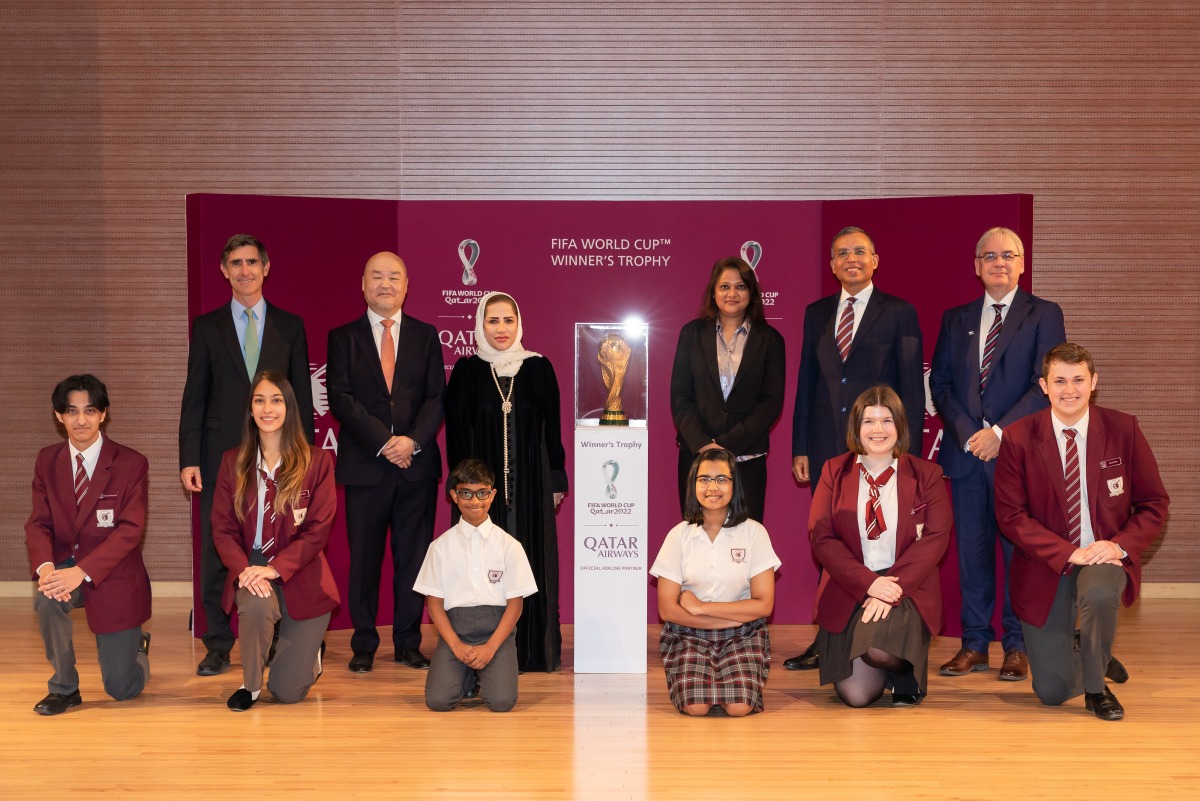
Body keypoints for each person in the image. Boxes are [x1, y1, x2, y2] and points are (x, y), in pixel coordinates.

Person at [993, 343, 1168, 721]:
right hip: (1046, 562)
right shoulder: (1019, 437)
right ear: (1043, 386)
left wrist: (1119, 545)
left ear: (1093, 383)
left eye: (1077, 380)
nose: (1068, 389)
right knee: (1051, 692)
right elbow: (1010, 516)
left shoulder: (1124, 429)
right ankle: (1089, 651)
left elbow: (1154, 503)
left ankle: (1095, 689)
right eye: (1059, 381)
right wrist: (1065, 552)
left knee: (1101, 591)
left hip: (1103, 553)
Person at [930, 227, 1066, 681]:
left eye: (1008, 255)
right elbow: (941, 384)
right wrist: (972, 434)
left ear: (1022, 262)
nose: (999, 262)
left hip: (1018, 456)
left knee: (1018, 554)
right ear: (976, 265)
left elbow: (1044, 383)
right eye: (989, 255)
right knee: (972, 553)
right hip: (968, 455)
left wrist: (999, 433)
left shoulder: (1044, 314)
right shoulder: (956, 317)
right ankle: (973, 643)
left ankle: (1015, 644)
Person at [785, 226, 925, 671]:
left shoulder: (899, 313)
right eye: (842, 253)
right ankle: (828, 639)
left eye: (859, 252)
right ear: (831, 264)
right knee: (831, 544)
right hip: (828, 449)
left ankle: (882, 631)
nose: (851, 259)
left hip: (882, 449)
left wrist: (911, 457)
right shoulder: (815, 313)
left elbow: (910, 390)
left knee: (878, 541)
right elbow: (807, 382)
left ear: (875, 260)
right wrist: (801, 445)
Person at [180, 233, 314, 677]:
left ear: (266, 267)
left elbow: (300, 399)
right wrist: (189, 457)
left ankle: (277, 638)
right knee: (218, 547)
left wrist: (306, 458)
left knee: (281, 542)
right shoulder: (207, 326)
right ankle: (217, 643)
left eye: (252, 262)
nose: (245, 270)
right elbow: (194, 395)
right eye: (235, 263)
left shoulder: (290, 326)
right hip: (222, 456)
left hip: (281, 456)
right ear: (224, 270)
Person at [327, 251, 445, 673]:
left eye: (393, 277)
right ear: (362, 283)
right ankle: (364, 643)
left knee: (413, 558)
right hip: (366, 466)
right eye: (376, 276)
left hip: (416, 467)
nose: (385, 284)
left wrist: (411, 441)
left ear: (406, 285)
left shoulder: (427, 335)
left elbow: (436, 397)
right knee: (365, 560)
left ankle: (408, 642)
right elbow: (341, 397)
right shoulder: (343, 337)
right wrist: (385, 441)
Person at [445, 292, 568, 672]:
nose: (501, 329)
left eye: (508, 320)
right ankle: (480, 653)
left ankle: (534, 651)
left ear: (519, 324)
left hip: (530, 488)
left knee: (531, 562)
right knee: (482, 565)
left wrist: (555, 479)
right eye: (493, 321)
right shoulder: (467, 372)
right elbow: (456, 437)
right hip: (481, 495)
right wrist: (466, 492)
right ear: (481, 325)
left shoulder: (540, 369)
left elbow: (552, 432)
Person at [810, 386, 951, 707]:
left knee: (878, 651)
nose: (878, 430)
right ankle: (886, 666)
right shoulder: (834, 471)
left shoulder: (927, 474)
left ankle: (904, 671)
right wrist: (870, 583)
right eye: (868, 422)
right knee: (856, 697)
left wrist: (890, 587)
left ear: (900, 426)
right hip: (851, 584)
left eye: (887, 421)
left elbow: (935, 537)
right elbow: (822, 537)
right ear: (855, 428)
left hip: (906, 585)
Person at [211, 371, 338, 711]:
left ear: (289, 407)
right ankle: (250, 685)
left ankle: (309, 654)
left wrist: (276, 569)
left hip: (302, 573)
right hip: (251, 565)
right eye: (259, 400)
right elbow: (222, 529)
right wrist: (245, 569)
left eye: (276, 400)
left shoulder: (317, 461)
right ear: (250, 409)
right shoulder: (231, 462)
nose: (268, 408)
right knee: (254, 602)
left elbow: (318, 531)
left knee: (287, 692)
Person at [25, 375, 152, 715]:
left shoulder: (131, 463)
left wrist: (81, 572)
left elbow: (130, 530)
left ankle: (137, 651)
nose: (81, 420)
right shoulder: (46, 461)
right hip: (66, 563)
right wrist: (48, 569)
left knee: (122, 689)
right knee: (47, 598)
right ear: (59, 416)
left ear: (103, 414)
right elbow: (39, 523)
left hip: (113, 575)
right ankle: (65, 688)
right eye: (71, 411)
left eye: (90, 411)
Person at [650, 449, 781, 716]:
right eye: (704, 479)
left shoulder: (754, 533)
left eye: (722, 479)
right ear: (693, 484)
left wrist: (702, 608)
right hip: (688, 633)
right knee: (696, 707)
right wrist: (724, 619)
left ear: (735, 484)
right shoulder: (678, 536)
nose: (713, 487)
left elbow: (764, 605)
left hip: (743, 634)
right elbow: (667, 610)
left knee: (739, 708)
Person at [414, 459, 538, 712]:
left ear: (492, 495)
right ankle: (467, 674)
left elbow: (515, 605)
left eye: (482, 493)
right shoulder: (440, 547)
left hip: (497, 633)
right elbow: (435, 605)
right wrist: (456, 645)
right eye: (466, 493)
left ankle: (479, 673)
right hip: (455, 632)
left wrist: (491, 647)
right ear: (454, 496)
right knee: (438, 701)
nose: (475, 501)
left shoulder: (509, 546)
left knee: (502, 702)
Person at [670, 256, 786, 523]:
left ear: (752, 293)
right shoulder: (692, 334)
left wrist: (724, 445)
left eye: (740, 286)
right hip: (696, 457)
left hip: (747, 459)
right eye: (724, 286)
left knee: (743, 543)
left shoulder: (770, 340)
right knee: (697, 537)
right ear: (713, 292)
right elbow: (680, 397)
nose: (732, 293)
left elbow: (770, 403)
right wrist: (703, 445)